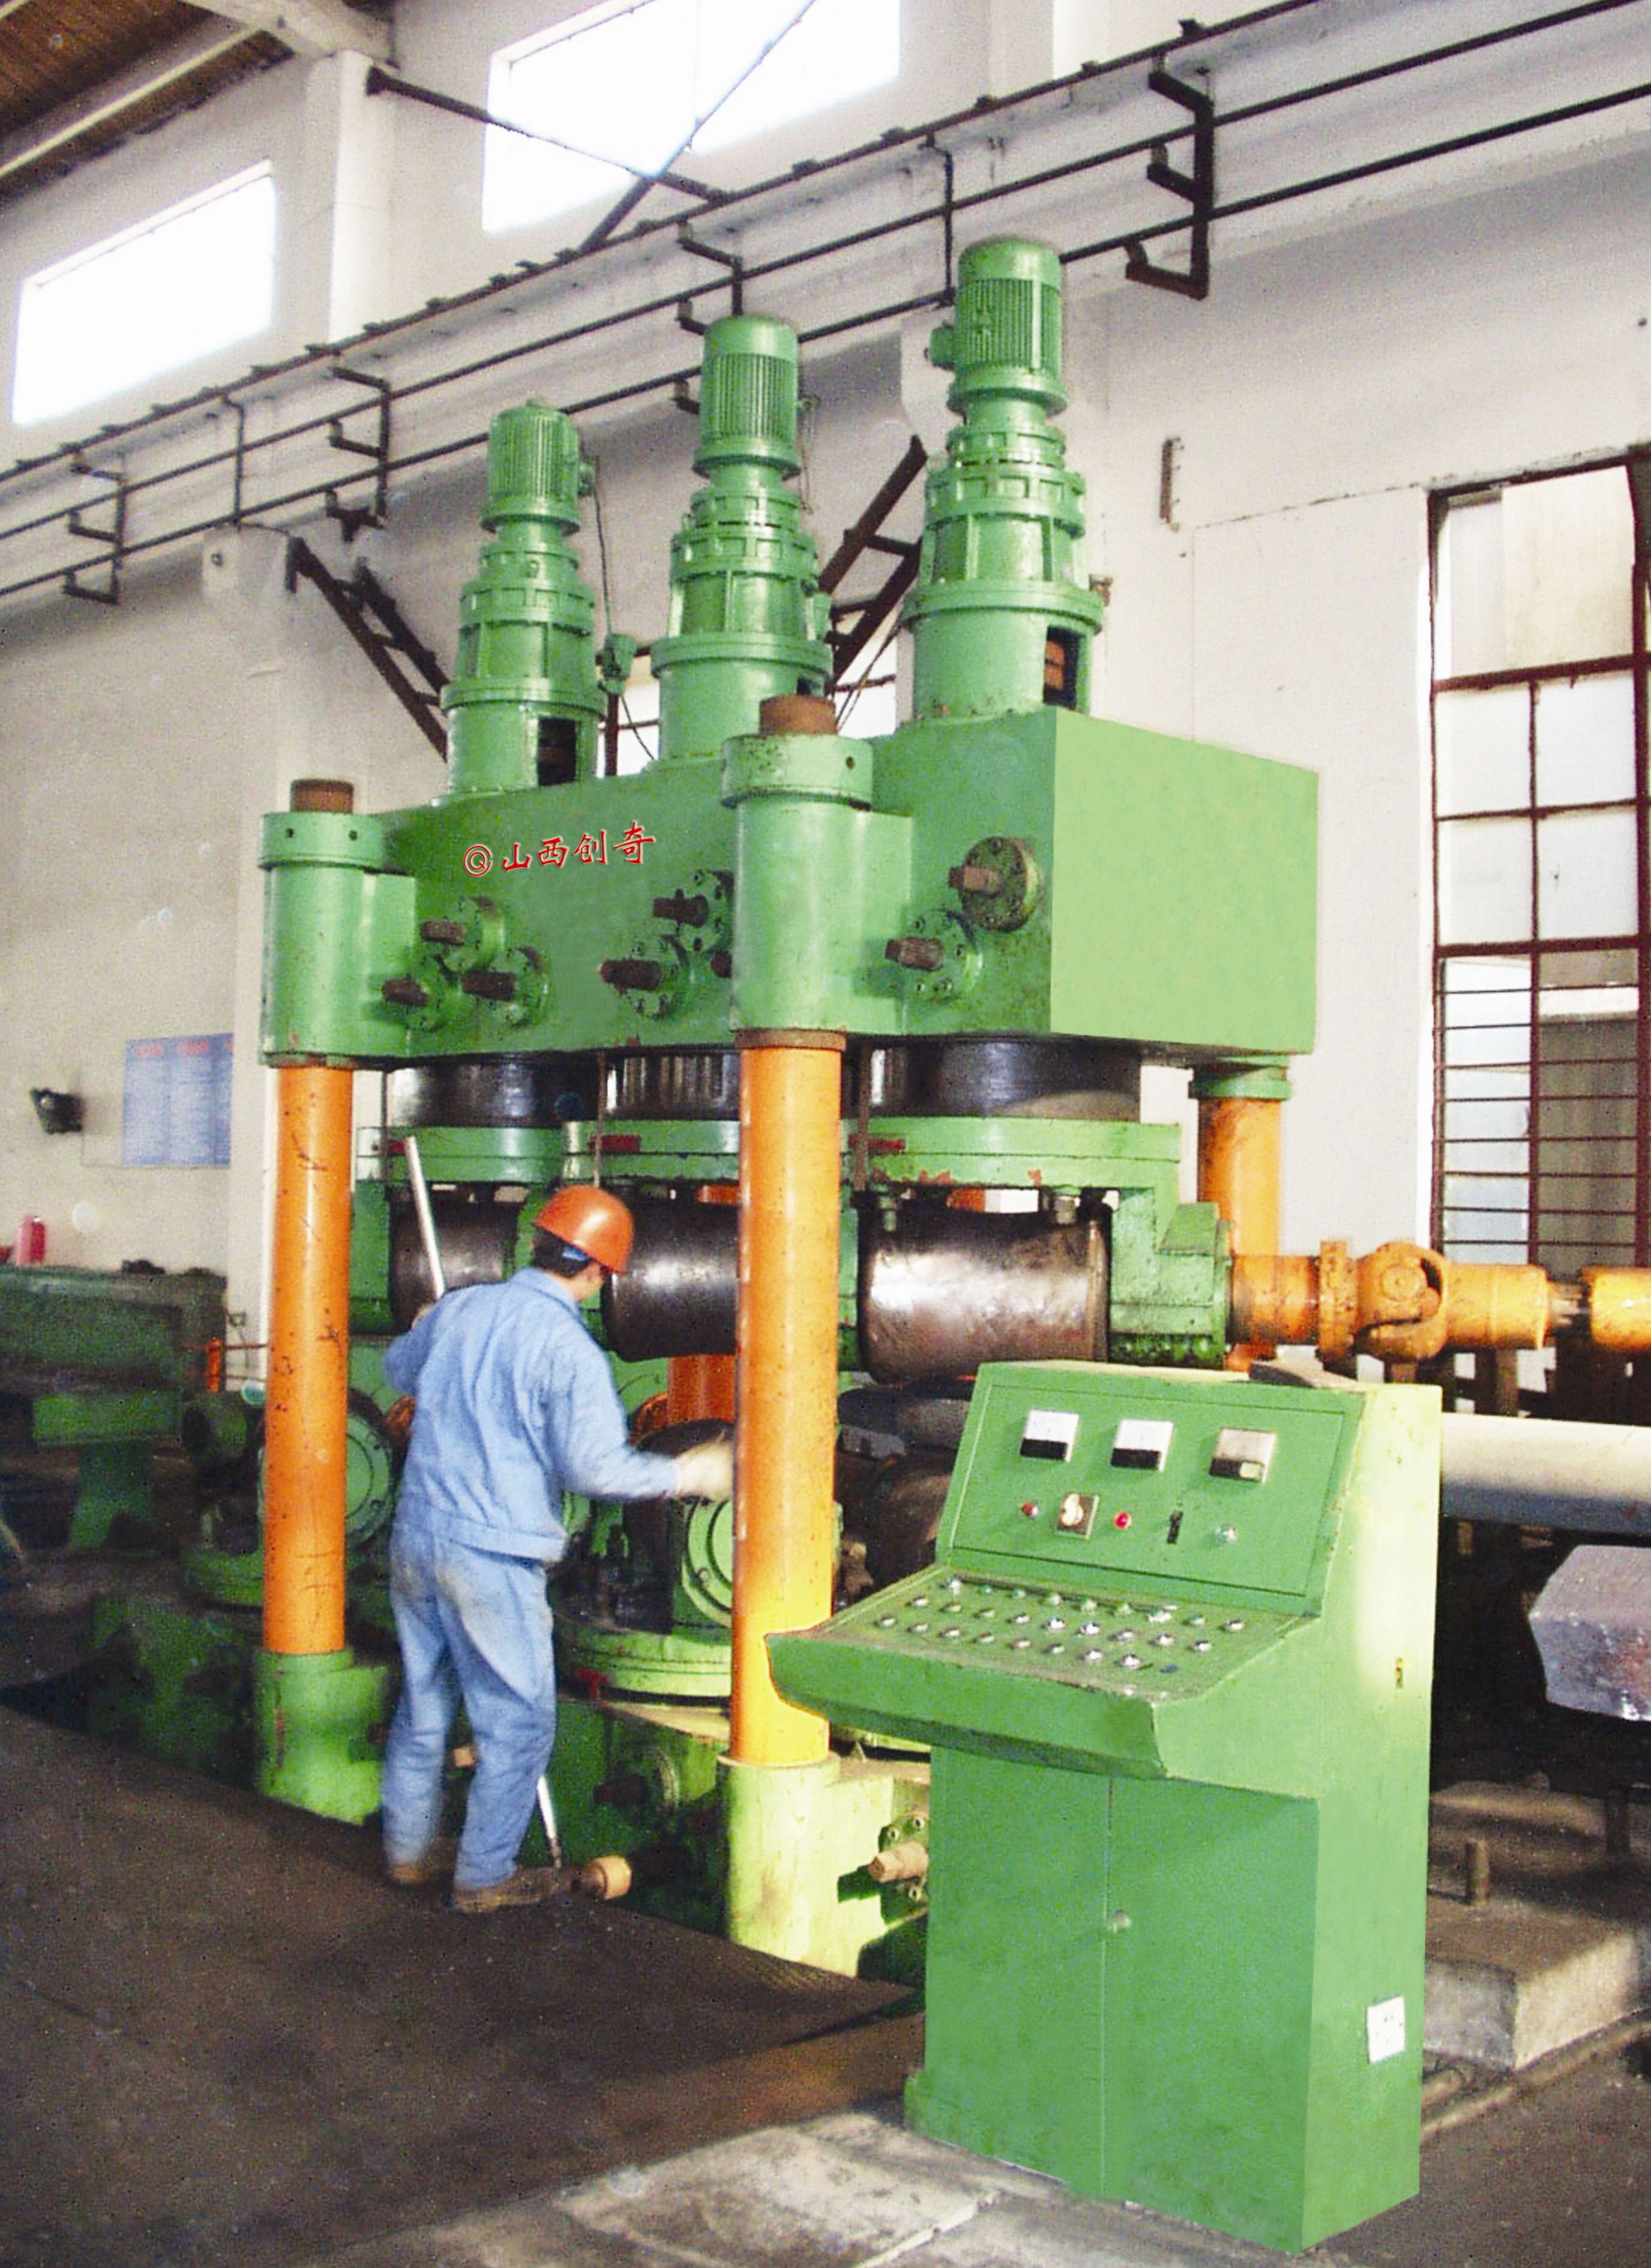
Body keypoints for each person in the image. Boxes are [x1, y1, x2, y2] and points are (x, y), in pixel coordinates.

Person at [377, 1184, 733, 1913]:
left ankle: (408, 1853)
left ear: (535, 1245)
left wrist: (426, 1324)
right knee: (519, 1723)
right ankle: (483, 1876)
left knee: (424, 1701)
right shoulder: (569, 1350)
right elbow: (593, 1470)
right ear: (600, 1273)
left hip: (417, 1537)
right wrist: (689, 1473)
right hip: (491, 1557)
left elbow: (397, 1371)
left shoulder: (463, 1309)